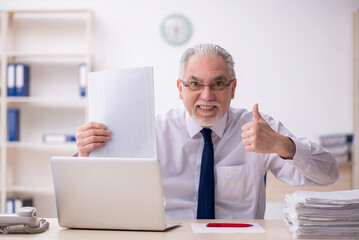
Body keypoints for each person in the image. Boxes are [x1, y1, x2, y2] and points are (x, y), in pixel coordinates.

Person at [75, 43, 339, 219]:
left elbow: (329, 174)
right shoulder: (154, 129)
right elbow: (98, 194)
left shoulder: (258, 128)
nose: (207, 95)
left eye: (218, 83)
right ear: (180, 89)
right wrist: (86, 155)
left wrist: (284, 146)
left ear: (233, 88)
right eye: (195, 84)